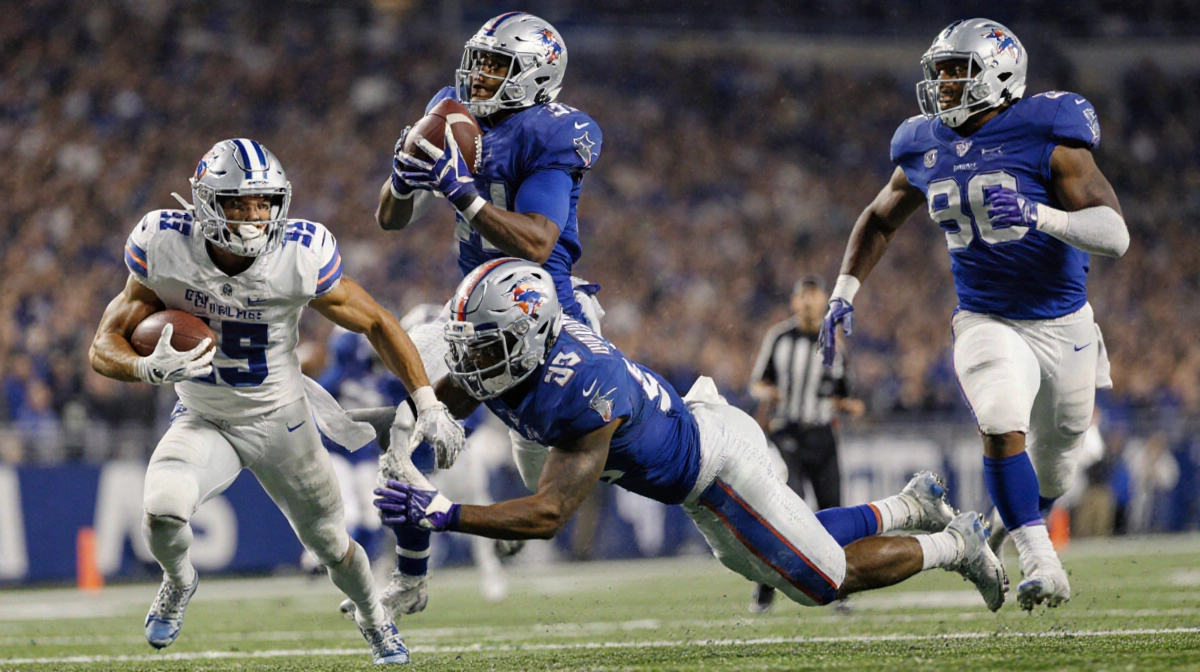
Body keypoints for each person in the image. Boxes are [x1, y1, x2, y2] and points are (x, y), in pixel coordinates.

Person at [372, 259, 1008, 619]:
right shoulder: (521, 354)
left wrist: (443, 513)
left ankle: (956, 544)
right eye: (471, 346)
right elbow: (444, 393)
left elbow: (548, 515)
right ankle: (910, 505)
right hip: (702, 451)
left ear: (527, 336)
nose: (475, 360)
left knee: (820, 579)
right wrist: (407, 425)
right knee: (772, 551)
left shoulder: (580, 389)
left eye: (487, 344)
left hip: (718, 469)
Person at [88, 138, 466, 665]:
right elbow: (104, 344)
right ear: (205, 204)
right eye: (238, 203)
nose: (253, 216)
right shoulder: (165, 244)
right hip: (204, 415)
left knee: (333, 545)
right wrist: (143, 367)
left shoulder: (297, 252)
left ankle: (375, 620)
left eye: (263, 202)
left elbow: (378, 321)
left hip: (282, 419)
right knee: (162, 512)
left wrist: (426, 400)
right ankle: (179, 581)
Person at [819, 19, 1128, 610]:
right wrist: (844, 290)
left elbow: (1114, 235)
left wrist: (1041, 217)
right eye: (939, 72)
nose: (942, 84)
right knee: (1000, 417)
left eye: (956, 71)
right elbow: (881, 215)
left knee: (1057, 466)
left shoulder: (1046, 129)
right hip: (985, 318)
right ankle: (1042, 565)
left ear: (1000, 72)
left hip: (1064, 323)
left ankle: (986, 538)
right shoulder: (922, 141)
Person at [371, 11, 604, 618]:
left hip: (540, 311)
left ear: (536, 73)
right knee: (407, 422)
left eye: (497, 66)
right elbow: (389, 221)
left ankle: (516, 531)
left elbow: (536, 242)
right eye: (477, 62)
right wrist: (401, 182)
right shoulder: (452, 109)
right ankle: (411, 576)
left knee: (544, 471)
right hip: (474, 312)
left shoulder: (554, 131)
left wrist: (459, 191)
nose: (477, 77)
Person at [746, 274, 865, 613]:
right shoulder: (779, 337)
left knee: (834, 514)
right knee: (785, 512)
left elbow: (843, 393)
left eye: (816, 295)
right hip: (787, 435)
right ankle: (765, 586)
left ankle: (840, 591)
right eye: (805, 295)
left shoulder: (835, 343)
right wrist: (767, 392)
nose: (811, 302)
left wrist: (849, 405)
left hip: (823, 436)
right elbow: (757, 381)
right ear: (795, 302)